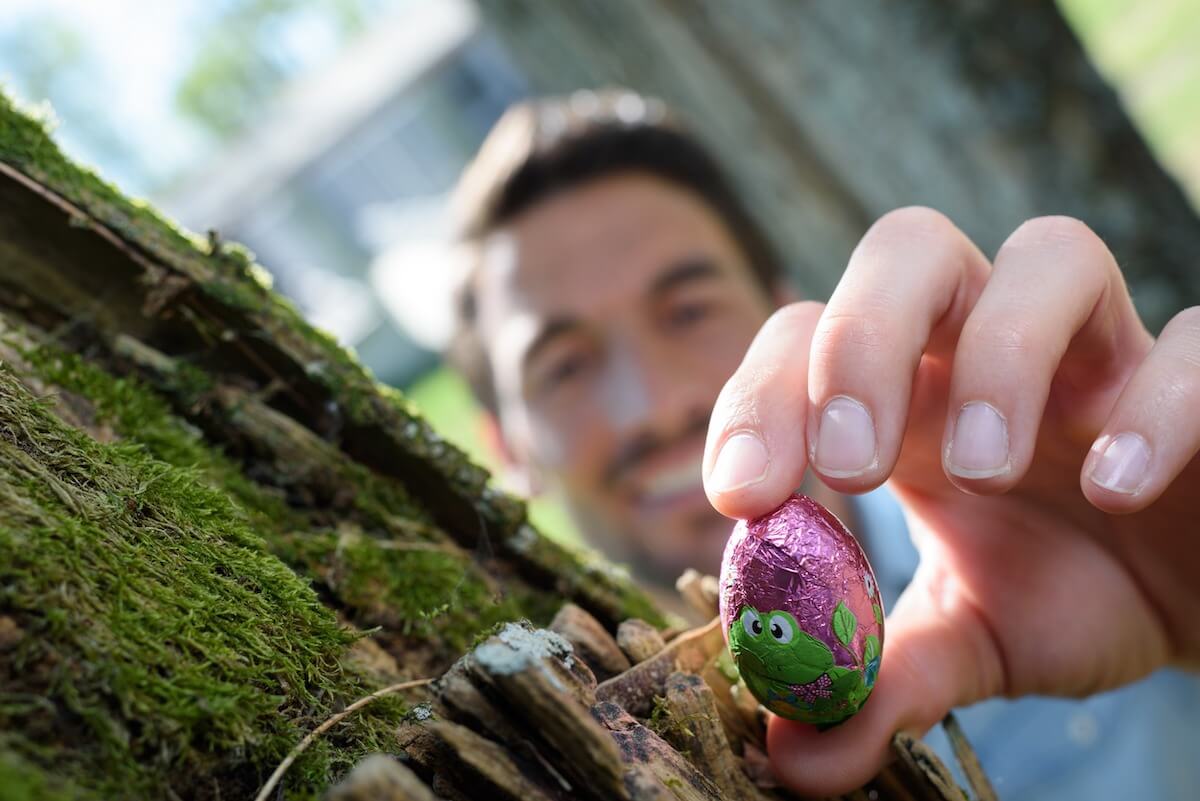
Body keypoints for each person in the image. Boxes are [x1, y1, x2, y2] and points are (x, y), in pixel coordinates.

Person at [444, 89, 1200, 797]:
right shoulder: (561, 749)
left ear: (784, 311)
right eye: (565, 365)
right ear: (504, 445)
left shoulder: (1051, 506)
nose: (657, 403)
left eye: (688, 310)